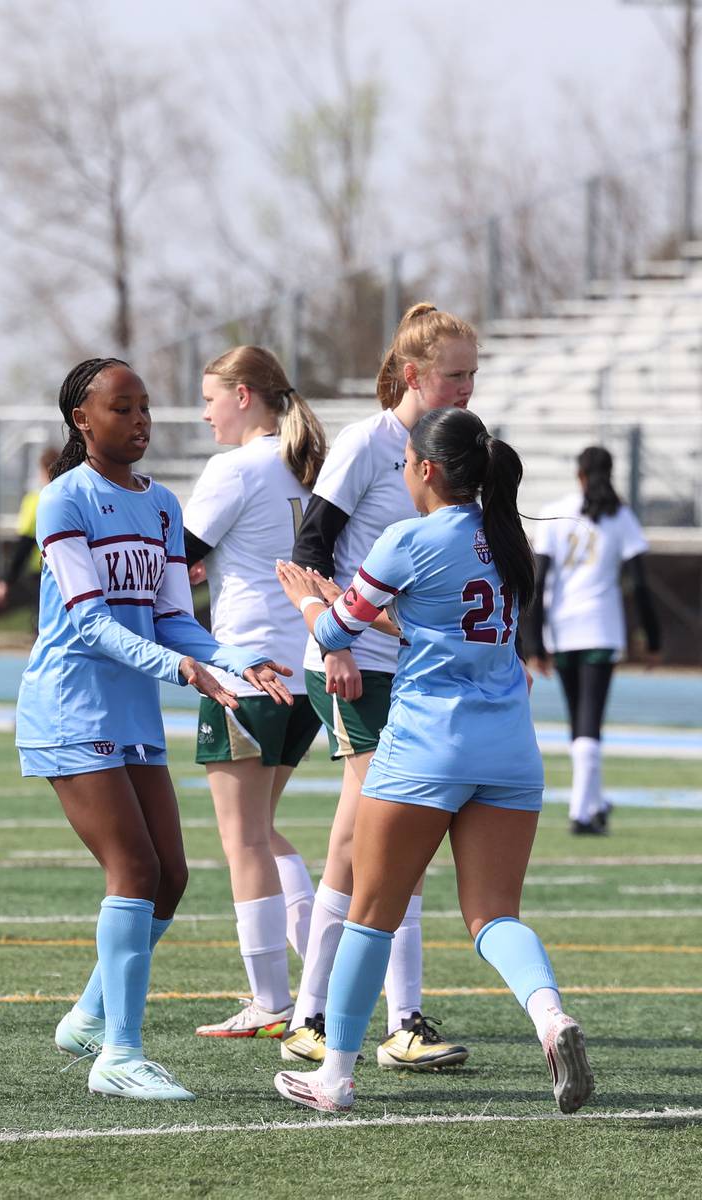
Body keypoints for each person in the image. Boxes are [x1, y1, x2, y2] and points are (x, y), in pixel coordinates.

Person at [273, 406, 595, 1116]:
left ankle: (336, 1076)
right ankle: (549, 1016)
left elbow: (333, 631)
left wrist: (307, 600)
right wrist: (366, 610)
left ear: (425, 469)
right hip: (510, 750)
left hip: (427, 745)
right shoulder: (506, 537)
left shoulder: (408, 538)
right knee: (492, 916)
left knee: (371, 912)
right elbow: (449, 622)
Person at [14, 357, 292, 1102]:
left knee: (171, 877)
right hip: (71, 706)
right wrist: (184, 672)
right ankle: (119, 1055)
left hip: (131, 711)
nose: (140, 421)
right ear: (83, 420)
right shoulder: (64, 500)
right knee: (133, 872)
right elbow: (90, 621)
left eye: (145, 408)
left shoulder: (162, 504)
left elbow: (172, 618)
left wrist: (234, 659)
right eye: (122, 408)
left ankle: (87, 1016)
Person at [281, 304, 475, 1071]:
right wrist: (337, 643)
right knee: (387, 838)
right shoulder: (369, 445)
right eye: (455, 374)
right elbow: (310, 546)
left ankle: (320, 1016)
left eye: (471, 373)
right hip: (353, 662)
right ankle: (393, 1019)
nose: (466, 387)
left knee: (363, 839)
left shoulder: (455, 450)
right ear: (415, 376)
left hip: (415, 672)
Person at [181, 346, 326, 1038]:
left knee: (242, 842)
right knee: (264, 833)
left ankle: (272, 1000)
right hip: (305, 673)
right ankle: (316, 979)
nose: (204, 412)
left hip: (245, 674)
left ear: (244, 395)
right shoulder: (303, 464)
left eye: (210, 397)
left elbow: (174, 555)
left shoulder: (234, 467)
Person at [530, 445, 660, 834]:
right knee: (589, 721)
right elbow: (639, 583)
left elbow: (537, 582)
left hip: (561, 629)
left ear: (579, 473)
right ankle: (582, 812)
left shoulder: (555, 513)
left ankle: (593, 802)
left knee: (579, 720)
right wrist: (652, 638)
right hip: (601, 630)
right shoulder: (620, 516)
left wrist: (534, 642)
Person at [0, 446, 59, 630]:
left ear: (45, 471)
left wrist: (6, 579)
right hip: (74, 576)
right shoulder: (79, 497)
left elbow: (25, 544)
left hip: (45, 574)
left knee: (44, 629)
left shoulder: (37, 500)